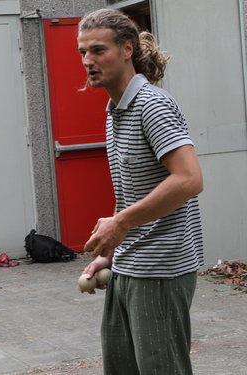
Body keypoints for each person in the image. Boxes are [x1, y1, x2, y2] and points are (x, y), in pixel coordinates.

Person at [78, 9, 204, 375]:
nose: (88, 61)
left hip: (162, 269)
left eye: (98, 51)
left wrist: (120, 223)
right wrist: (112, 253)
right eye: (83, 53)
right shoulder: (114, 109)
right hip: (130, 265)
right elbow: (133, 192)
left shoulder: (153, 105)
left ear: (127, 49)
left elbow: (189, 179)